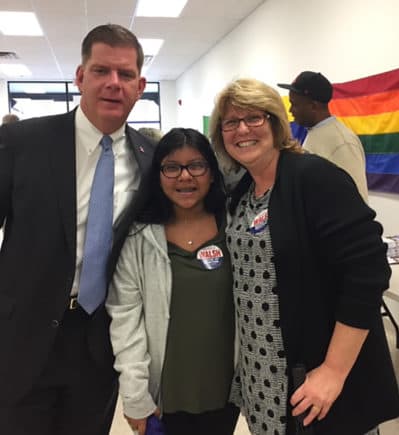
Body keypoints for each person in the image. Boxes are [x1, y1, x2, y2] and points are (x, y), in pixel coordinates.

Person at [209, 78, 399, 435]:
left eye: (254, 118)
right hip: (263, 377)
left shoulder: (314, 178)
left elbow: (368, 270)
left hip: (317, 377)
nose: (242, 129)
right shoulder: (243, 191)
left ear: (276, 122)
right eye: (231, 122)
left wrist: (333, 371)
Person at [0, 24, 156, 435]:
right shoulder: (22, 142)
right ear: (80, 76)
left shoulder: (151, 159)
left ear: (140, 85)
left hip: (98, 342)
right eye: (101, 70)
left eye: (125, 75)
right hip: (23, 336)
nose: (113, 84)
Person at [106, 127, 239, 435]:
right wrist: (135, 395)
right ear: (158, 173)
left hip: (225, 392)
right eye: (171, 167)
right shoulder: (139, 237)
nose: (185, 177)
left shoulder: (232, 227)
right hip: (165, 396)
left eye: (196, 165)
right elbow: (125, 320)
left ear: (210, 171)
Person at [277, 71, 369, 202]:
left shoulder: (343, 143)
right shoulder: (315, 132)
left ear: (313, 106)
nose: (291, 110)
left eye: (295, 104)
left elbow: (357, 200)